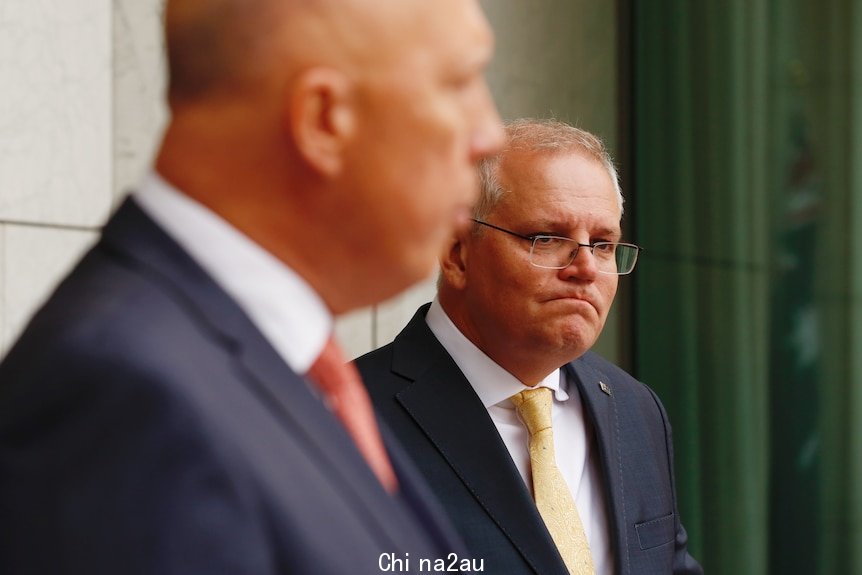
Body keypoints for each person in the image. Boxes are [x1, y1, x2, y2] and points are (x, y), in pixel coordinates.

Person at [0, 0, 504, 573]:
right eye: (460, 82)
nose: (489, 133)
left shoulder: (266, 361)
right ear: (322, 119)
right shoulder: (125, 398)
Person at [356, 119, 703, 575]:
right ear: (457, 251)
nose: (585, 268)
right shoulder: (347, 417)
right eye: (549, 239)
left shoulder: (635, 411)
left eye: (602, 244)